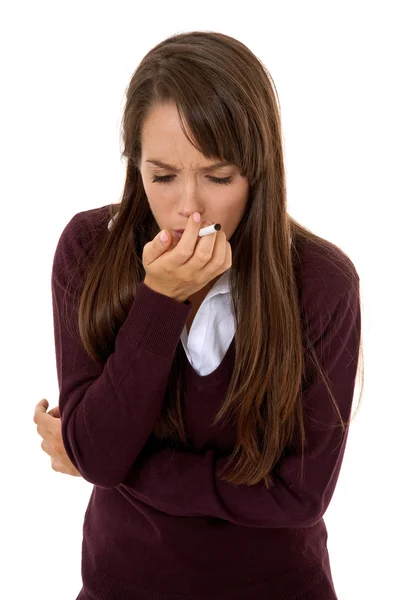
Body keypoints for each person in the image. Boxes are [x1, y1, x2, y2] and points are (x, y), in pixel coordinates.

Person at [33, 30, 363, 600]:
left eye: (218, 176)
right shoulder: (90, 250)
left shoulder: (322, 282)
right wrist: (160, 302)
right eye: (162, 176)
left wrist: (106, 462)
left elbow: (299, 497)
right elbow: (101, 450)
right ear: (135, 165)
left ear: (258, 171)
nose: (189, 206)